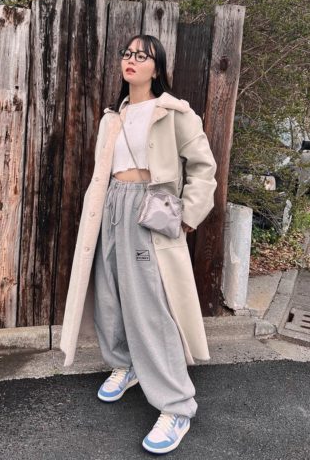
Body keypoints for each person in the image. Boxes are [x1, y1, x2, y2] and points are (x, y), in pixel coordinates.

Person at [59, 34, 217, 455]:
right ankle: (124, 365)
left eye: (141, 56)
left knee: (149, 305)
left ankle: (177, 405)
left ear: (156, 67)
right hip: (111, 205)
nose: (131, 60)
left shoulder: (174, 113)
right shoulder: (113, 117)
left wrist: (188, 216)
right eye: (127, 54)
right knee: (109, 294)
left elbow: (204, 168)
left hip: (149, 210)